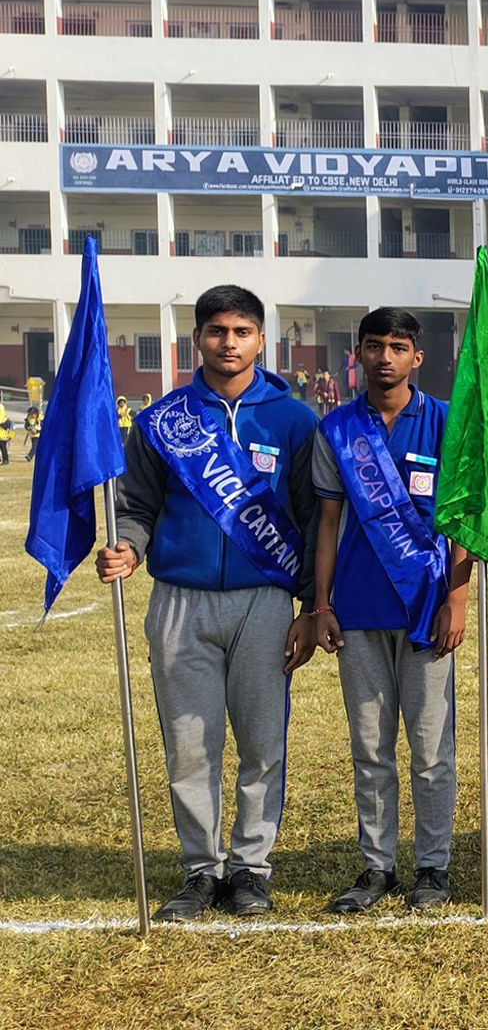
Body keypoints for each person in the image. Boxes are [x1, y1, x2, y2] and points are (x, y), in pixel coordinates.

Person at [95, 284, 319, 921]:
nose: (229, 343)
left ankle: (250, 869)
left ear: (260, 340)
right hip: (179, 602)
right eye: (217, 331)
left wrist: (309, 606)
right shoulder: (163, 418)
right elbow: (135, 506)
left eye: (241, 331)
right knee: (189, 745)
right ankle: (201, 870)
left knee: (261, 741)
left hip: (264, 603)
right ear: (197, 338)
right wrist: (128, 549)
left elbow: (310, 517)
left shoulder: (295, 420)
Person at [307, 308, 473, 914]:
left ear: (417, 357)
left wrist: (457, 596)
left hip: (429, 610)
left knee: (431, 748)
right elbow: (326, 524)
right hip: (357, 609)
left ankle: (433, 868)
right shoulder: (337, 429)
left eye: (397, 347)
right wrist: (321, 604)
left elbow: (462, 522)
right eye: (373, 346)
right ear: (358, 354)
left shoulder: (446, 425)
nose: (384, 358)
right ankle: (376, 867)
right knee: (371, 747)